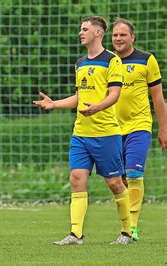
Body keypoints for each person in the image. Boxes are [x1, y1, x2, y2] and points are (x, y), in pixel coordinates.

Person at [33, 16, 132, 245]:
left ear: (98, 33)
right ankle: (76, 234)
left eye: (85, 29)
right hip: (81, 133)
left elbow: (114, 95)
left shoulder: (112, 60)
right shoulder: (80, 63)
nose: (81, 32)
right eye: (80, 29)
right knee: (77, 178)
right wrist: (54, 104)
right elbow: (80, 97)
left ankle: (127, 231)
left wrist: (97, 108)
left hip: (106, 133)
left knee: (115, 183)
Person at [111, 17, 166, 241]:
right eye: (115, 35)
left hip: (139, 126)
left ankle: (131, 228)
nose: (118, 38)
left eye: (123, 34)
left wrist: (164, 129)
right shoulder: (107, 61)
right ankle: (127, 222)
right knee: (119, 180)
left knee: (134, 175)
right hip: (112, 129)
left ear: (132, 37)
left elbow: (158, 98)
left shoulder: (146, 60)